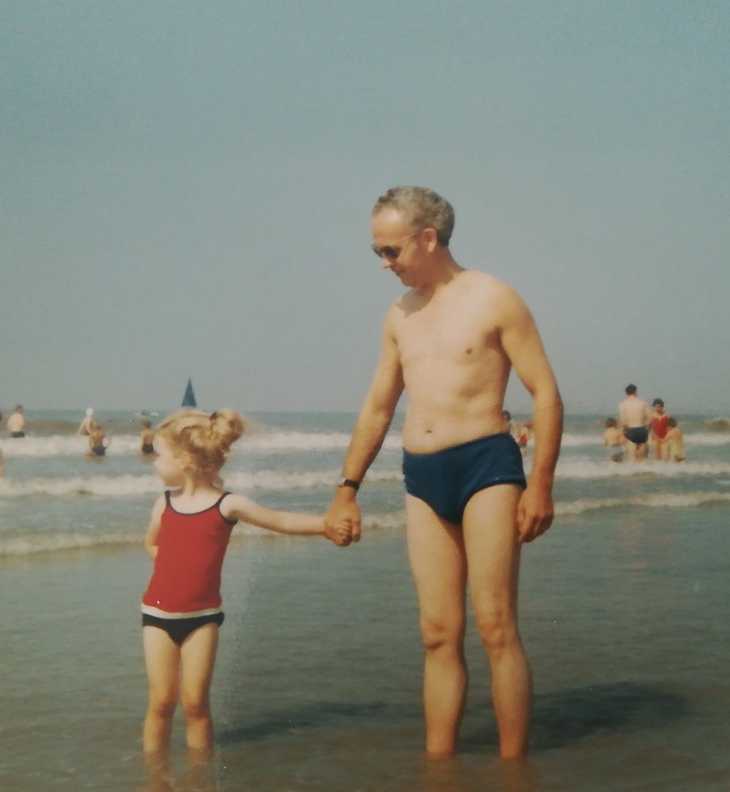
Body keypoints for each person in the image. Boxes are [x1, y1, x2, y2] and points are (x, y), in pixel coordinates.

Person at [324, 186, 562, 760]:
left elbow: (546, 395)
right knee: (437, 631)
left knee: (495, 625)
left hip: (487, 465)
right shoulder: (400, 316)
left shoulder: (494, 299)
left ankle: (513, 773)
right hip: (422, 474)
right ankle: (440, 771)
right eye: (376, 253)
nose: (384, 264)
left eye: (390, 251)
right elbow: (379, 405)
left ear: (427, 238)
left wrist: (541, 484)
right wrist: (346, 490)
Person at [142, 409, 332, 753]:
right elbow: (151, 543)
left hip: (202, 619)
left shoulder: (227, 505)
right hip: (156, 615)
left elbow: (280, 520)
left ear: (184, 459)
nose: (154, 463)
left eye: (159, 456)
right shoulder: (163, 504)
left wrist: (326, 526)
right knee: (161, 703)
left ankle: (198, 782)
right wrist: (174, 567)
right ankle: (155, 780)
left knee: (196, 704)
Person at [617, 385, 650, 461]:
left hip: (630, 430)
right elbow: (650, 418)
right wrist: (647, 429)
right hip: (641, 429)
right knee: (642, 457)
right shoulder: (642, 403)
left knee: (632, 457)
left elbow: (623, 422)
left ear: (626, 393)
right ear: (635, 392)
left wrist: (623, 432)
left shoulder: (623, 404)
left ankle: (634, 471)